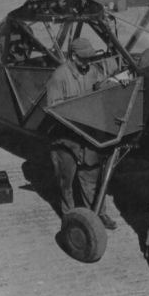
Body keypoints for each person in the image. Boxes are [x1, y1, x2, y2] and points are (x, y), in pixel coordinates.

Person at [45, 37, 117, 230]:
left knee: (91, 178)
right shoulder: (59, 76)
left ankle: (98, 214)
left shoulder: (92, 71)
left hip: (88, 136)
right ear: (73, 56)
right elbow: (53, 109)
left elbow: (98, 92)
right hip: (66, 139)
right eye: (84, 59)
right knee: (66, 183)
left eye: (90, 59)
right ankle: (71, 219)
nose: (87, 62)